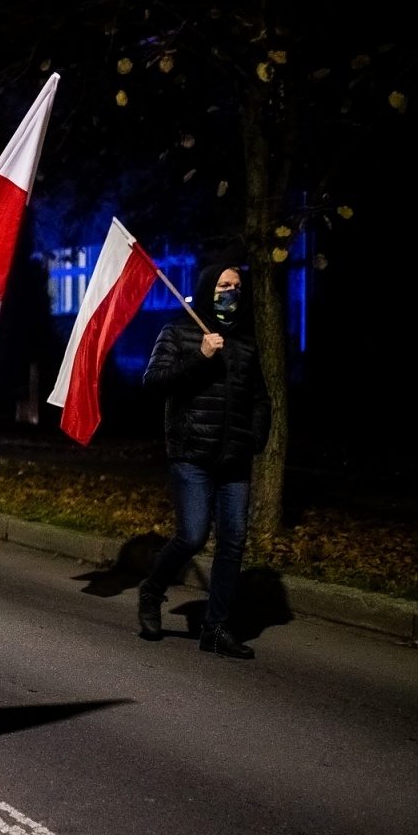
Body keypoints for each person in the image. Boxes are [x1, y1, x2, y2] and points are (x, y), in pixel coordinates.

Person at [137, 264, 271, 658]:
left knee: (233, 540)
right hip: (191, 452)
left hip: (235, 458)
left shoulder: (244, 341)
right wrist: (201, 355)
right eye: (224, 285)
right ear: (207, 288)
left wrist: (255, 436)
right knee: (193, 536)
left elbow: (260, 397)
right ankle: (152, 590)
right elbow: (154, 382)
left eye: (237, 286)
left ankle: (215, 629)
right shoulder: (178, 332)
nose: (231, 292)